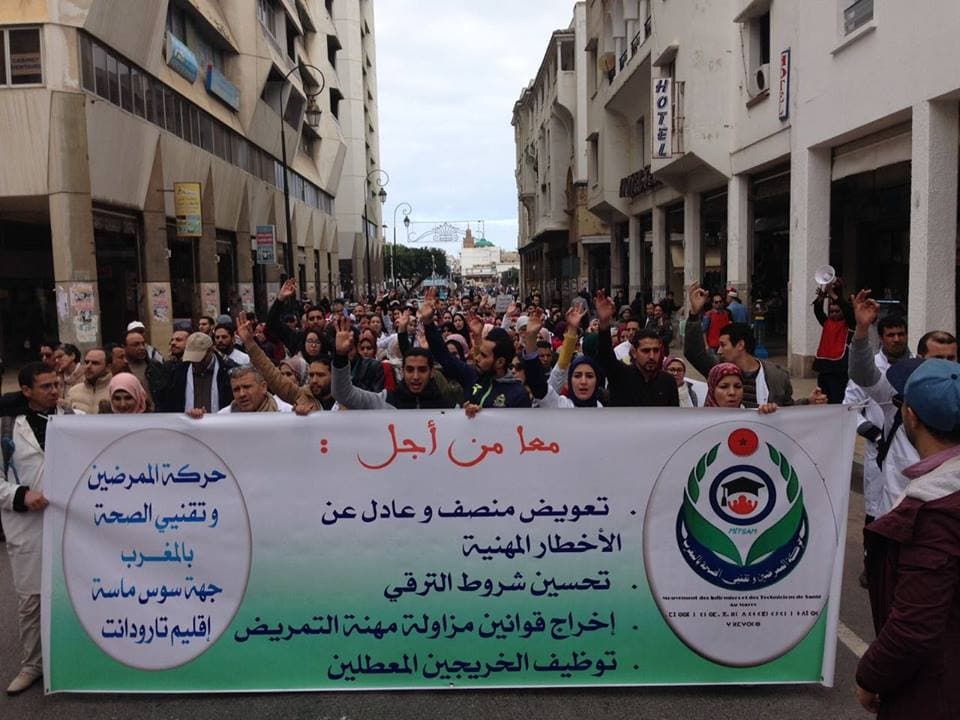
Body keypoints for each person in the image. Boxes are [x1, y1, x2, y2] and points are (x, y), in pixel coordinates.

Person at [855, 359, 960, 719]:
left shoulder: (934, 513)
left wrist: (871, 677)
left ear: (911, 416)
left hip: (938, 691)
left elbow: (914, 625)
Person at [1, 363, 77, 695]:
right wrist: (21, 495)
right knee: (31, 599)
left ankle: (74, 658)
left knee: (75, 591)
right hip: (28, 524)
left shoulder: (73, 418)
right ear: (26, 390)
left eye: (56, 384)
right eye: (45, 386)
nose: (54, 391)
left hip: (73, 524)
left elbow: (115, 435)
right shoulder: (5, 426)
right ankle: (32, 665)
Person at [686, 282, 826, 407]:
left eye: (723, 345)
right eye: (724, 386)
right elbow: (693, 352)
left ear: (740, 345)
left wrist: (808, 402)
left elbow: (785, 411)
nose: (719, 351)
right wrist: (694, 314)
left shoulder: (776, 376)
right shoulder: (718, 370)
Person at [331, 317, 454, 410]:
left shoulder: (447, 407)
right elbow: (344, 395)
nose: (416, 376)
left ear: (432, 372)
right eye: (410, 370)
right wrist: (340, 356)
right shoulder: (386, 401)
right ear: (402, 371)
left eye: (422, 370)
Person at [593, 293, 678, 407]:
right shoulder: (620, 375)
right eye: (646, 351)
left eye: (656, 350)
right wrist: (604, 323)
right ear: (634, 352)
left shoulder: (668, 382)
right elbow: (605, 355)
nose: (652, 356)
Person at [161, 332, 234, 413]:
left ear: (210, 351)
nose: (196, 363)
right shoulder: (178, 371)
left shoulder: (228, 371)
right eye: (192, 359)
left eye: (200, 359)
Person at [811, 282, 855, 403]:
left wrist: (833, 295)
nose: (834, 314)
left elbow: (848, 311)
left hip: (839, 369)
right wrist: (821, 298)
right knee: (823, 399)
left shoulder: (850, 324)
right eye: (831, 312)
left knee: (837, 400)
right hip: (823, 367)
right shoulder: (826, 322)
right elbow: (818, 311)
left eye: (837, 311)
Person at [207, 366, 291, 415]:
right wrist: (201, 420)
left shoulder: (287, 412)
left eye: (247, 387)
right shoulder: (223, 417)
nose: (242, 394)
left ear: (263, 387)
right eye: (236, 389)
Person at [704, 363, 777, 413]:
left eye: (738, 386)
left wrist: (770, 415)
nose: (732, 392)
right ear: (712, 390)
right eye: (724, 387)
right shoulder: (701, 419)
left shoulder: (756, 412)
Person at [65, 348, 112, 414]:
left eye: (95, 363)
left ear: (108, 367)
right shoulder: (73, 391)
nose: (88, 366)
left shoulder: (115, 390)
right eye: (86, 362)